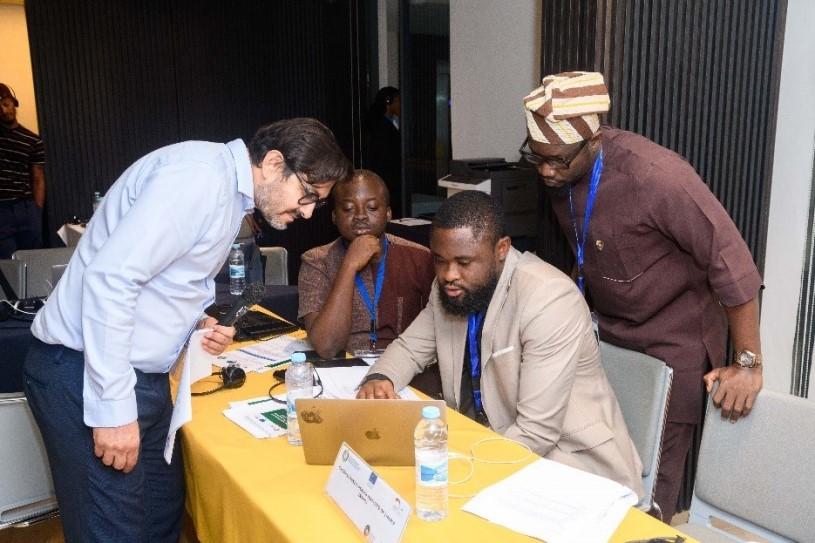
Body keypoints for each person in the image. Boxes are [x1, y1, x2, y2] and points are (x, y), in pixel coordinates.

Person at [24, 118, 352, 542]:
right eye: (308, 194)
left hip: (137, 375)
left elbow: (167, 278)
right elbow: (112, 279)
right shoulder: (199, 181)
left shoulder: (225, 193)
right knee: (114, 532)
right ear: (273, 163)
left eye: (317, 203)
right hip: (88, 372)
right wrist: (113, 410)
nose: (307, 211)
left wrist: (196, 322)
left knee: (161, 515)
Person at [521, 71, 763, 520]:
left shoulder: (657, 177)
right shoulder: (558, 169)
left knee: (650, 493)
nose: (546, 172)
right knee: (594, 469)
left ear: (593, 141)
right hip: (606, 336)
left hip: (672, 343)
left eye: (556, 160)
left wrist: (749, 362)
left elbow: (733, 263)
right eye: (536, 158)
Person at [357, 191, 644, 495]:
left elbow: (537, 433)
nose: (449, 275)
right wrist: (380, 377)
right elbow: (409, 348)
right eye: (440, 261)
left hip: (571, 468)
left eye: (464, 262)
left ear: (502, 249)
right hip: (490, 448)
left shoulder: (548, 298)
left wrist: (463, 470)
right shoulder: (452, 288)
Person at [298, 169, 441, 395]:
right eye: (348, 208)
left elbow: (435, 337)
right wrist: (349, 265)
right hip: (342, 373)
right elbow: (327, 347)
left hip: (404, 373)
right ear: (334, 216)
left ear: (388, 213)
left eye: (372, 207)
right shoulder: (316, 261)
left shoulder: (420, 257)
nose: (361, 216)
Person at [0, 82, 45, 258]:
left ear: (14, 103)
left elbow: (38, 178)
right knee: (6, 264)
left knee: (32, 258)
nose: (3, 111)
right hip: (1, 209)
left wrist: (36, 210)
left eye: (6, 104)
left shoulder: (32, 140)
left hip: (26, 207)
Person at [363, 87, 402, 217]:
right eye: (398, 101)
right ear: (388, 102)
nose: (400, 105)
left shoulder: (390, 123)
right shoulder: (381, 127)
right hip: (387, 178)